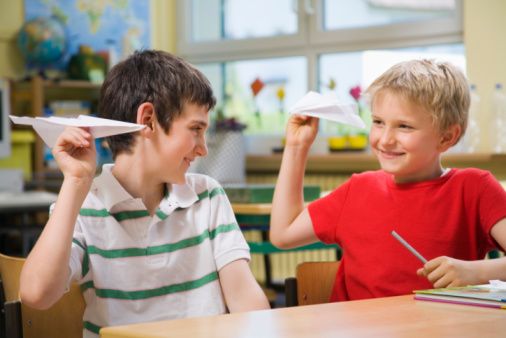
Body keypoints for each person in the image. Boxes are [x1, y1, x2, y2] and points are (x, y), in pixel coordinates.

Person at [20, 50, 270, 337]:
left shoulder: (208, 196)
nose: (203, 148)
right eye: (195, 129)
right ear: (149, 119)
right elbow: (36, 294)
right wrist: (76, 181)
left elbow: (247, 303)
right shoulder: (82, 206)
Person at [270, 59, 506, 302]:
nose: (385, 140)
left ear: (447, 137)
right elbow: (283, 233)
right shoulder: (358, 189)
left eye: (404, 126)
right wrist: (297, 147)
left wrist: (476, 272)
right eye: (378, 122)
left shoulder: (474, 189)